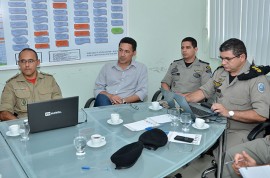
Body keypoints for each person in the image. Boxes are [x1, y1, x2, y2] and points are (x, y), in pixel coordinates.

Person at [185, 38, 270, 150]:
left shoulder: (257, 79)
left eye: (227, 59)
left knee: (229, 156)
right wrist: (184, 99)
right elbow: (204, 91)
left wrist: (229, 113)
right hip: (217, 123)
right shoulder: (221, 72)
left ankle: (222, 166)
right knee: (188, 136)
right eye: (222, 58)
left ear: (242, 57)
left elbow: (261, 115)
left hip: (241, 130)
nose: (223, 62)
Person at [0, 48, 62, 121]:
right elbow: (4, 113)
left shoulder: (49, 80)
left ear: (38, 62)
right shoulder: (11, 84)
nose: (27, 65)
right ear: (19, 63)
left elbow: (59, 105)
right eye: (23, 61)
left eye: (30, 61)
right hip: (23, 124)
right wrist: (22, 125)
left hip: (48, 121)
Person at [94, 37, 148, 107]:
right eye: (120, 50)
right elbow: (98, 89)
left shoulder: (141, 68)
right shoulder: (107, 67)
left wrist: (123, 101)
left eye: (126, 51)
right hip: (107, 103)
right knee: (101, 98)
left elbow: (142, 92)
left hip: (127, 106)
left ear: (134, 53)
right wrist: (111, 96)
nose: (122, 54)